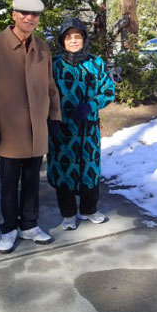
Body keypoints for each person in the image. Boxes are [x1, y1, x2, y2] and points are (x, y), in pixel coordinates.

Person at [0, 0, 61, 253]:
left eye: (34, 14)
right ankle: (8, 229)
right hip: (9, 130)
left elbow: (50, 87)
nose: (29, 18)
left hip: (37, 129)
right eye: (24, 13)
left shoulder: (42, 48)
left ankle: (29, 225)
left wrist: (55, 117)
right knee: (8, 182)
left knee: (32, 181)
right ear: (13, 14)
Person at [47, 17, 115, 230]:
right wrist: (51, 121)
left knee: (90, 169)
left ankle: (89, 210)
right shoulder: (54, 66)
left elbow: (108, 91)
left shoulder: (96, 64)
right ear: (62, 41)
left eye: (78, 37)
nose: (74, 41)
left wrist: (90, 106)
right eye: (69, 37)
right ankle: (68, 214)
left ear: (84, 39)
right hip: (61, 129)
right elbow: (43, 94)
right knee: (63, 170)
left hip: (88, 130)